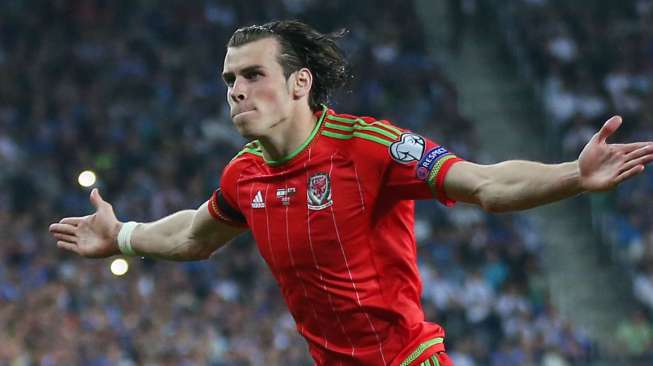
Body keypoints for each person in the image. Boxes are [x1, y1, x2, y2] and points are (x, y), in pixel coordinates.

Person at [49, 20, 653, 366]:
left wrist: (574, 175)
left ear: (299, 82)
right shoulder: (244, 175)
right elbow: (190, 235)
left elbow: (487, 184)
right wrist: (123, 234)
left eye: (254, 74)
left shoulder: (371, 145)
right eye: (230, 78)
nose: (236, 90)